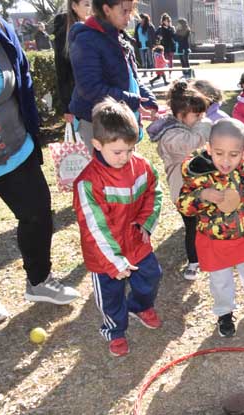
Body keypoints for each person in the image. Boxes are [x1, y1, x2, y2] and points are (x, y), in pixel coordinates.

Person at [0, 4, 80, 323]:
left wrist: (33, 136)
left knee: (36, 213)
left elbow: (24, 82)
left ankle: (39, 280)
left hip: (16, 146)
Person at [72, 98, 163, 357]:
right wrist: (115, 262)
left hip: (136, 242)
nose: (125, 157)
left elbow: (152, 194)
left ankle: (139, 306)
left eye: (130, 149)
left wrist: (146, 222)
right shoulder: (88, 183)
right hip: (105, 256)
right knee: (110, 296)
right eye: (118, 152)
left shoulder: (142, 166)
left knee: (151, 276)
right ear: (98, 145)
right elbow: (94, 229)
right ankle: (115, 330)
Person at [177, 119, 244, 338]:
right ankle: (224, 312)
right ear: (209, 148)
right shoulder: (197, 173)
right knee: (220, 280)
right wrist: (201, 195)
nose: (226, 161)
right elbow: (183, 204)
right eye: (219, 153)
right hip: (215, 238)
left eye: (234, 154)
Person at [69, 0, 158, 153]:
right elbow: (91, 89)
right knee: (105, 174)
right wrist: (133, 100)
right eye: (124, 11)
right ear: (106, 9)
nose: (129, 18)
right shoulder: (86, 39)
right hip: (98, 125)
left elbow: (132, 78)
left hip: (121, 121)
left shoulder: (119, 36)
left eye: (130, 12)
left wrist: (149, 100)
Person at [147, 80, 211, 280]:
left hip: (197, 187)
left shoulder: (183, 127)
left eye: (202, 114)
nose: (201, 118)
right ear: (180, 115)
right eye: (197, 115)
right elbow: (191, 143)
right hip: (183, 191)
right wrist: (205, 125)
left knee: (204, 222)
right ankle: (193, 261)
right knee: (191, 226)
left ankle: (205, 253)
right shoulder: (172, 135)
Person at [53, 0, 92, 123]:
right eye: (86, 4)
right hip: (80, 104)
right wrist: (67, 107)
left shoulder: (98, 27)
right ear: (74, 6)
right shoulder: (65, 33)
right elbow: (62, 73)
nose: (91, 8)